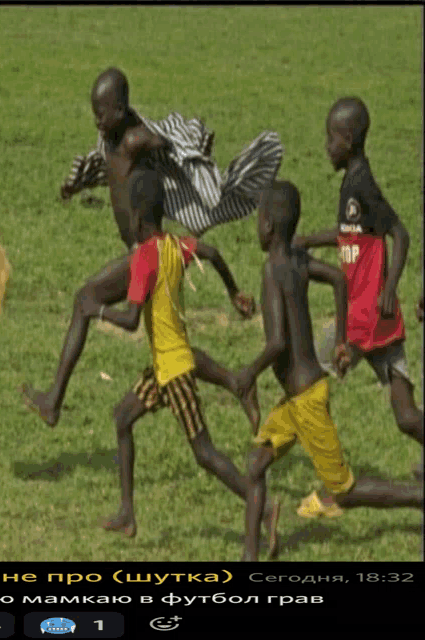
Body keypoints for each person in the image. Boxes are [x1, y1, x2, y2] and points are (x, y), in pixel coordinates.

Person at [21, 67, 281, 428]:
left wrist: (193, 150)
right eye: (93, 111)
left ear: (122, 108)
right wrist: (79, 185)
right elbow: (109, 171)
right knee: (170, 344)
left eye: (102, 112)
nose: (96, 120)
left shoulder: (134, 139)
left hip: (144, 252)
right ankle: (236, 382)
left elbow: (168, 143)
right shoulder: (111, 139)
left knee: (85, 301)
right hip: (148, 250)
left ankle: (53, 401)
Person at [82, 167, 280, 552]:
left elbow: (130, 319)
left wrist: (96, 310)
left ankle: (267, 507)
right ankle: (127, 512)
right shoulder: (175, 244)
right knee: (122, 418)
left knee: (205, 454)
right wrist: (233, 290)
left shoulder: (143, 259)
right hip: (163, 366)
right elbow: (213, 252)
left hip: (174, 371)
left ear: (135, 217)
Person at [236, 181, 423, 562]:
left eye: (258, 219)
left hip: (306, 401)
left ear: (268, 225)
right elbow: (338, 278)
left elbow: (276, 344)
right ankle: (250, 557)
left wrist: (247, 374)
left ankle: (419, 498)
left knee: (344, 491)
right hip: (297, 399)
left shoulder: (273, 270)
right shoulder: (298, 260)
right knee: (256, 466)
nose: (256, 227)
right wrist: (340, 338)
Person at [293, 97, 423, 479]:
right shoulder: (353, 180)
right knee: (406, 416)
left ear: (347, 140)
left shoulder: (363, 183)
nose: (325, 146)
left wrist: (389, 287)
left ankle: (281, 461)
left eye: (330, 138)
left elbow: (399, 233)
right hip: (374, 318)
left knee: (306, 378)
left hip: (366, 315)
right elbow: (351, 233)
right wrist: (309, 241)